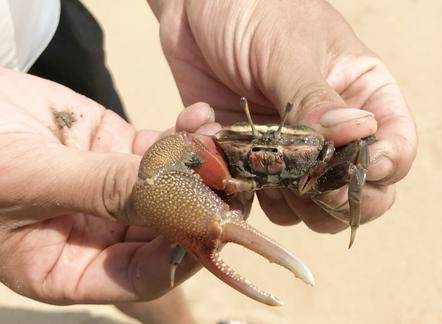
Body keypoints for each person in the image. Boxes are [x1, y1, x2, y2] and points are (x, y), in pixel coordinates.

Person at [0, 0, 417, 323]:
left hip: (44, 25)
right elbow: (166, 164)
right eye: (252, 141)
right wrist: (149, 185)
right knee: (108, 227)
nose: (265, 155)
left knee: (114, 236)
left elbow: (358, 153)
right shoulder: (215, 152)